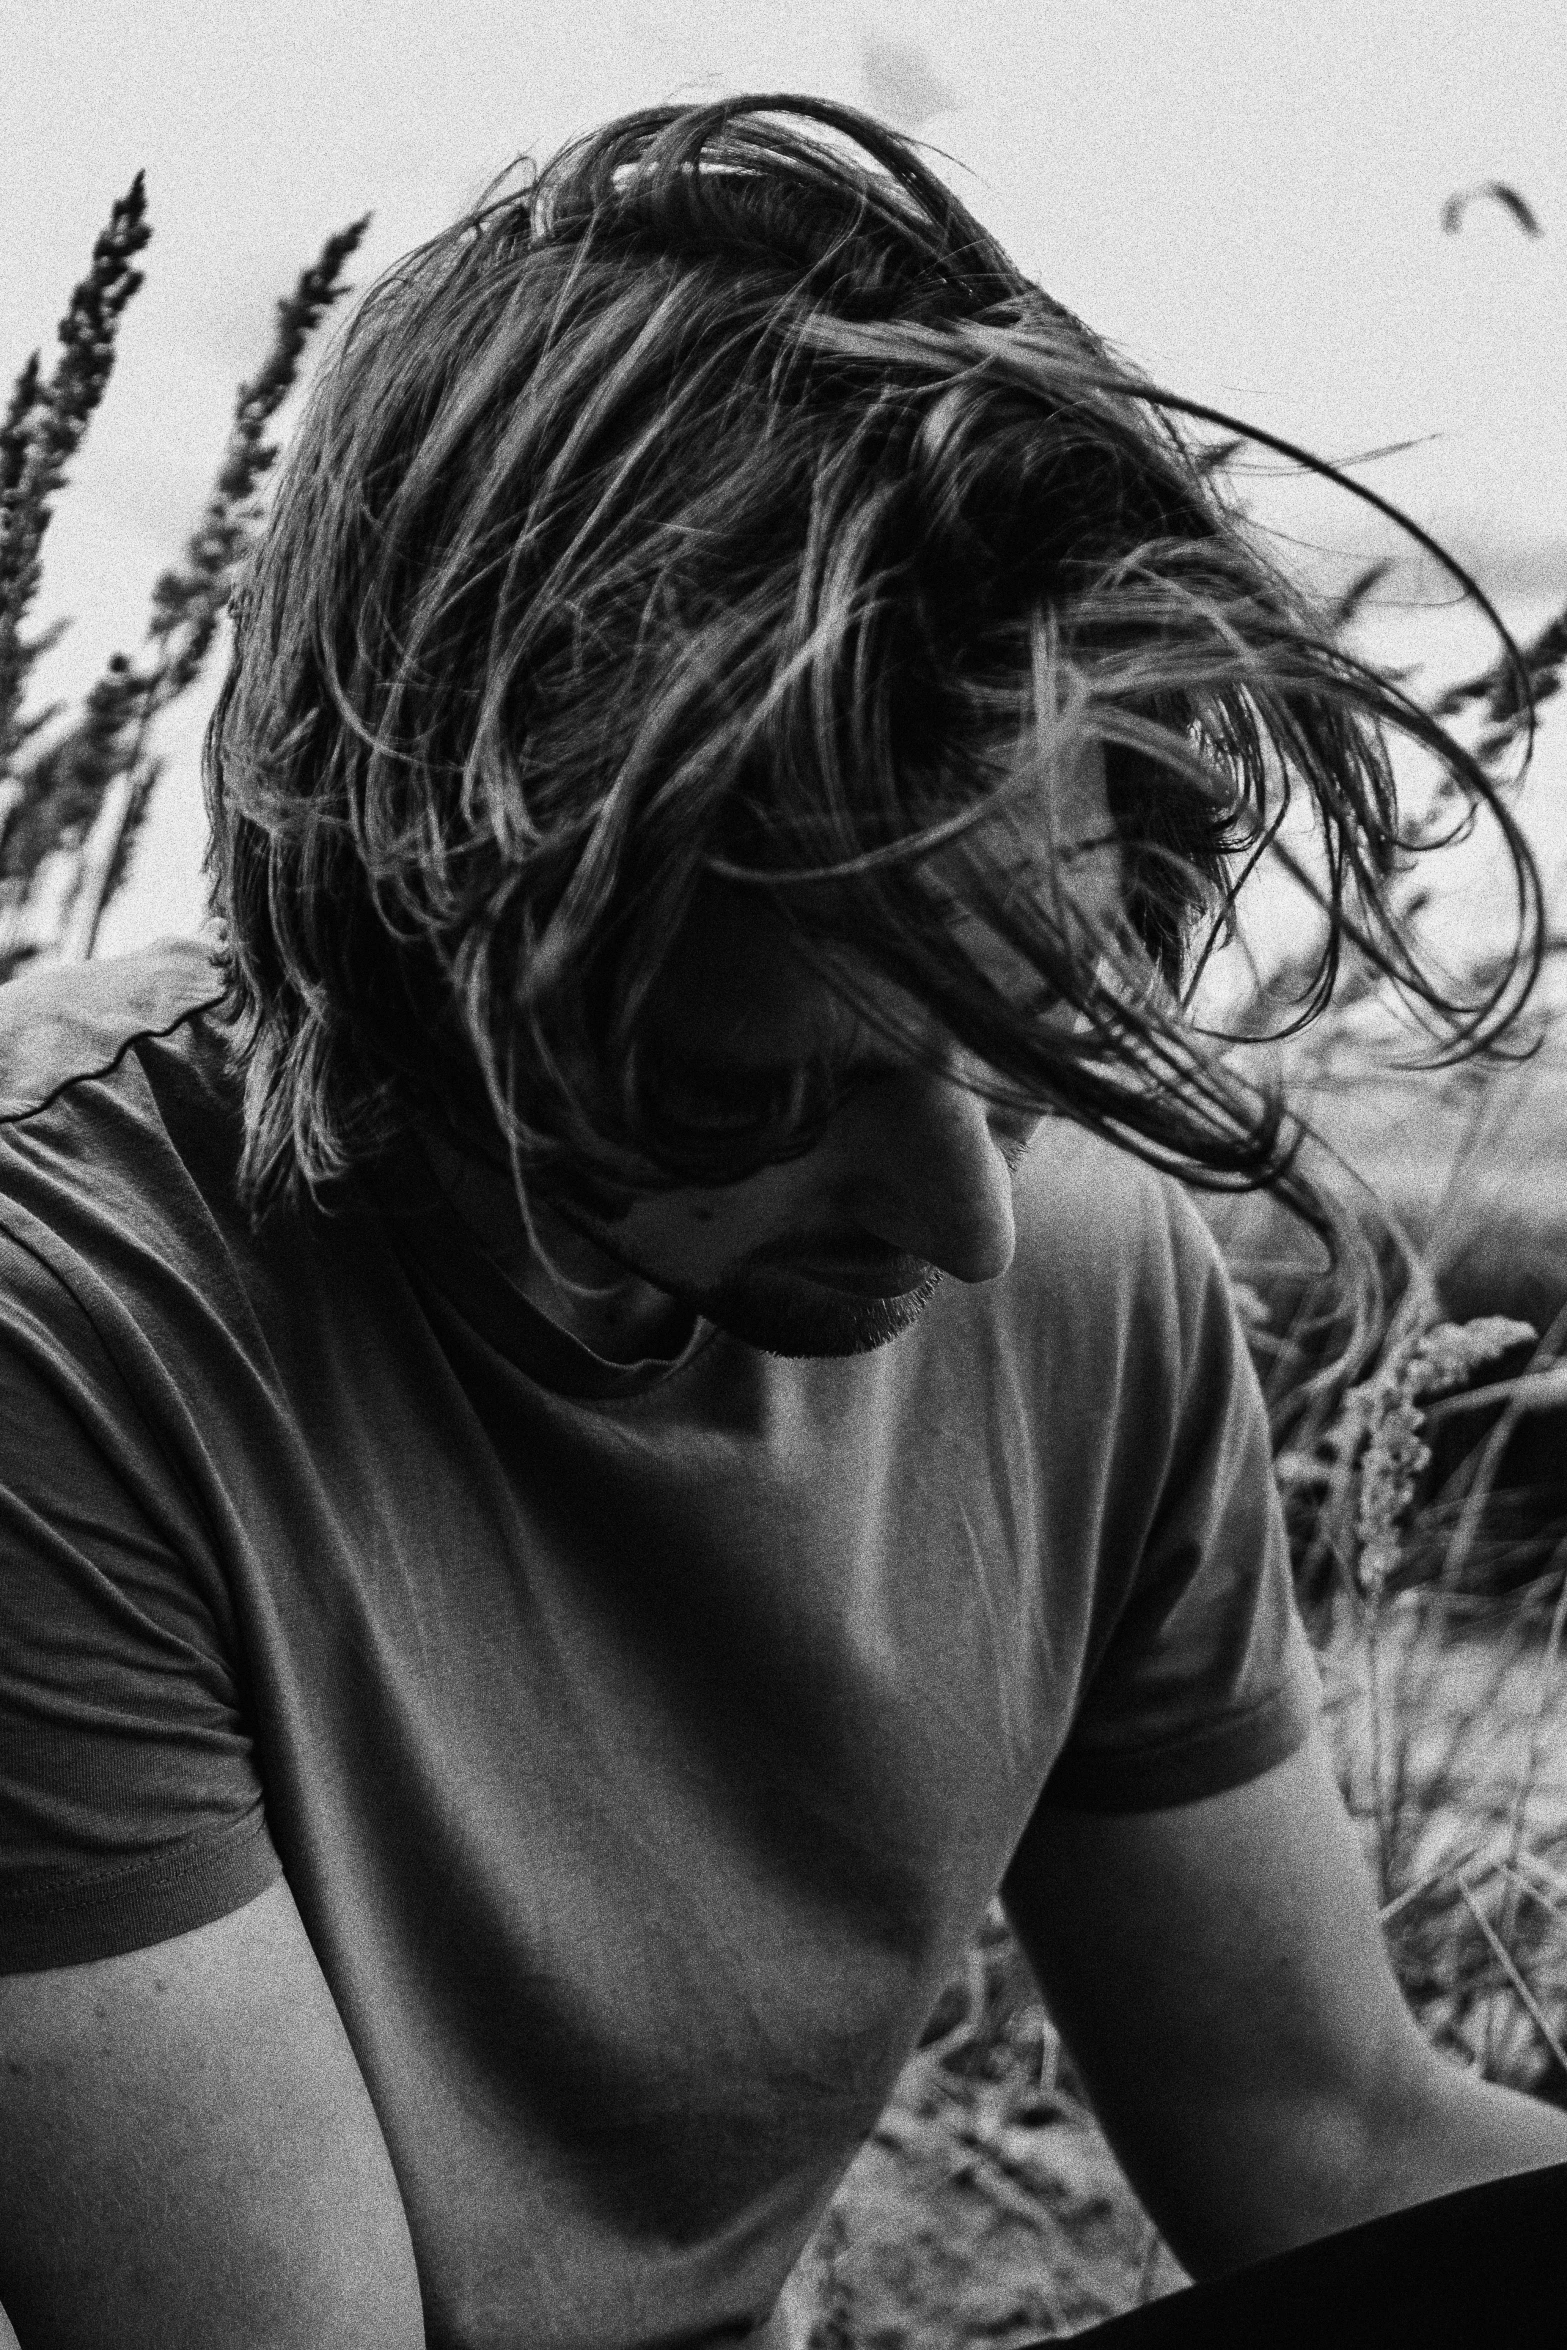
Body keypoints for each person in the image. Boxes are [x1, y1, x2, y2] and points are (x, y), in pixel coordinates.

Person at [0, 94, 1562, 2350]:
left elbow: (1327, 2136)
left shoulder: (1091, 1259)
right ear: (407, 935)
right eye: (752, 1087)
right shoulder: (70, 1326)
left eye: (1021, 1050)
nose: (965, 1226)